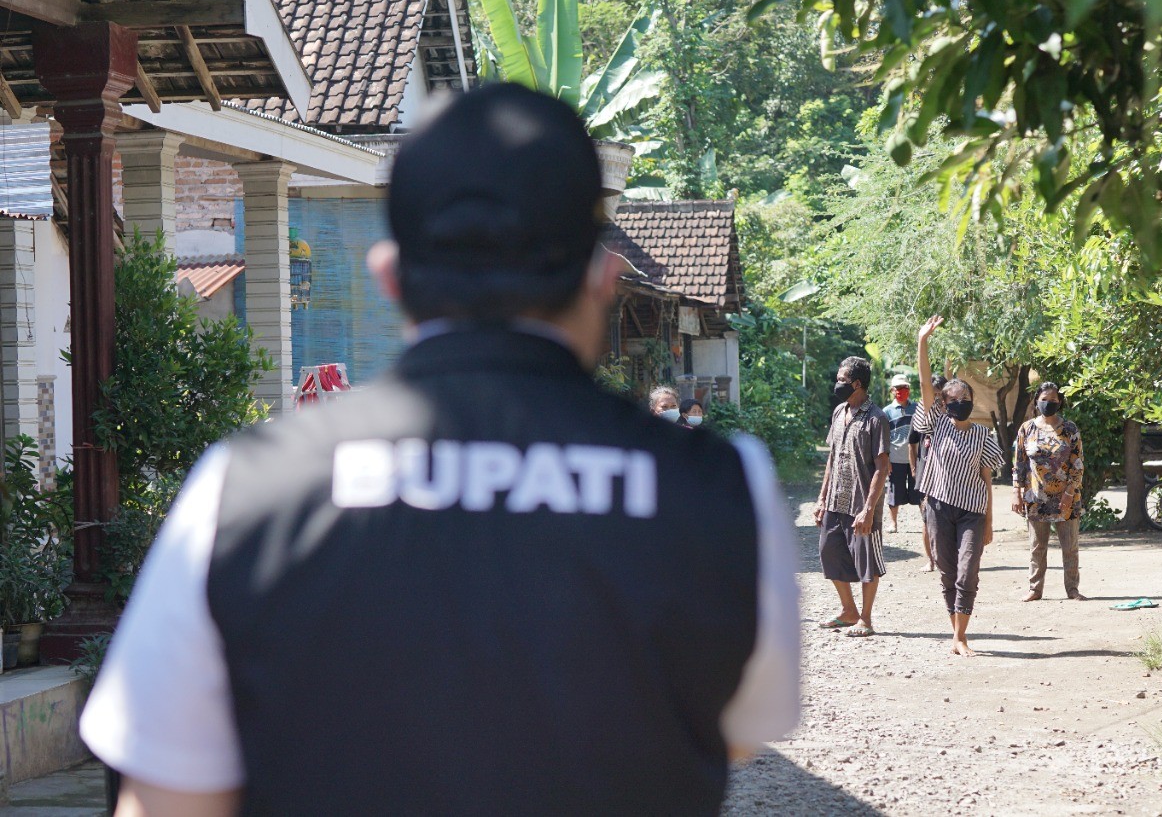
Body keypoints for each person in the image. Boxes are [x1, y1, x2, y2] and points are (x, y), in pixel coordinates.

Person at [78, 85, 800, 816]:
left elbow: (165, 796)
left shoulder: (242, 492)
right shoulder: (721, 489)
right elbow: (738, 728)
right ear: (604, 278)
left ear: (389, 275)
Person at [912, 316, 1004, 657]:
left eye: (966, 396)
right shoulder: (936, 426)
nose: (961, 401)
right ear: (945, 405)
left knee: (968, 570)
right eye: (954, 399)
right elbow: (924, 386)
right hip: (937, 507)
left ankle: (961, 636)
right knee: (948, 571)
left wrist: (990, 522)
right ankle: (956, 633)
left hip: (972, 513)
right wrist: (923, 342)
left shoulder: (983, 436)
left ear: (972, 400)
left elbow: (987, 478)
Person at [814, 355, 890, 638]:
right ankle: (848, 611)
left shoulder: (876, 418)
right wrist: (822, 499)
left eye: (841, 380)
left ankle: (866, 620)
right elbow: (832, 458)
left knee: (866, 561)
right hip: (836, 499)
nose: (837, 384)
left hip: (861, 504)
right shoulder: (838, 412)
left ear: (857, 383)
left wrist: (869, 509)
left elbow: (882, 467)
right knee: (829, 552)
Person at [1013, 381, 1087, 602]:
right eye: (1044, 399)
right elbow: (1019, 463)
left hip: (1067, 498)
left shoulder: (1070, 429)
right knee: (1037, 547)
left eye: (1053, 400)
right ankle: (1035, 589)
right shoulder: (1026, 429)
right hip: (1037, 497)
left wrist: (1069, 493)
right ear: (1037, 401)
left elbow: (1078, 463)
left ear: (1060, 402)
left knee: (1070, 546)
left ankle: (1072, 589)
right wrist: (1016, 491)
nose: (1048, 403)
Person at [909, 374, 947, 572]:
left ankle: (946, 559)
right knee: (926, 518)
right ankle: (931, 560)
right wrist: (915, 469)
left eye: (940, 394)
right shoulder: (922, 413)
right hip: (925, 475)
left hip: (947, 475)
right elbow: (912, 442)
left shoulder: (953, 413)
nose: (937, 398)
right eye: (933, 394)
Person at [883, 374, 920, 534]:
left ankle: (926, 520)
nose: (901, 391)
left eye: (904, 388)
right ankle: (893, 523)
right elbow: (884, 438)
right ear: (892, 390)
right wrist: (886, 460)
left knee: (919, 491)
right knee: (894, 492)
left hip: (916, 459)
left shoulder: (917, 408)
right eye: (898, 388)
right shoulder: (887, 412)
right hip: (895, 458)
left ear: (909, 389)